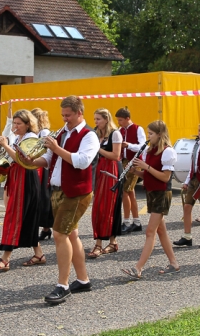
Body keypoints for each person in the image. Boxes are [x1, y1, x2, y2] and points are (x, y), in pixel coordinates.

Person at [24, 96, 99, 304]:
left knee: (59, 234)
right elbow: (49, 160)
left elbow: (82, 162)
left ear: (79, 113)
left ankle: (63, 285)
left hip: (76, 192)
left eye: (68, 115)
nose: (65, 119)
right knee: (71, 234)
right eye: (63, 115)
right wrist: (30, 160)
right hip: (58, 190)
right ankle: (83, 280)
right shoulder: (63, 132)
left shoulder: (89, 135)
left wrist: (56, 148)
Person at [121, 120, 180, 279]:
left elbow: (165, 177)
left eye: (151, 134)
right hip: (151, 192)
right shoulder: (149, 150)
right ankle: (174, 263)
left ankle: (138, 268)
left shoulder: (168, 152)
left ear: (159, 134)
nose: (148, 137)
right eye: (148, 133)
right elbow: (149, 174)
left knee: (150, 232)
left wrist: (145, 167)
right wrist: (135, 171)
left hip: (162, 194)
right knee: (161, 231)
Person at [0, 110, 45, 271]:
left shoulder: (31, 138)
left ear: (28, 124)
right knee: (27, 218)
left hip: (26, 179)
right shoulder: (20, 138)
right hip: (18, 178)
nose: (15, 126)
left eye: (19, 123)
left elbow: (22, 160)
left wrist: (6, 145)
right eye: (14, 123)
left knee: (15, 216)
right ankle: (39, 254)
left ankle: (5, 259)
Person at [87, 108, 123, 258]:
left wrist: (98, 149)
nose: (96, 122)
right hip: (98, 170)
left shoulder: (115, 133)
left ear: (106, 119)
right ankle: (104, 242)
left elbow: (115, 155)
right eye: (95, 119)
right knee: (98, 208)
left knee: (108, 207)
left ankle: (105, 242)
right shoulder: (95, 134)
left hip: (111, 172)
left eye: (98, 119)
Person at [115, 108, 146, 234]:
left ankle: (127, 221)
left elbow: (143, 146)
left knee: (125, 191)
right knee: (130, 191)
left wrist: (129, 145)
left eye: (121, 120)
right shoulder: (119, 130)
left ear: (128, 118)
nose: (119, 123)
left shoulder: (138, 128)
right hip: (124, 161)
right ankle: (136, 221)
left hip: (134, 161)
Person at [31, 107, 54, 240]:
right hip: (39, 166)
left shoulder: (44, 132)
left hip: (43, 168)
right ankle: (45, 227)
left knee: (44, 197)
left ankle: (46, 227)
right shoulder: (39, 132)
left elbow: (46, 151)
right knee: (41, 197)